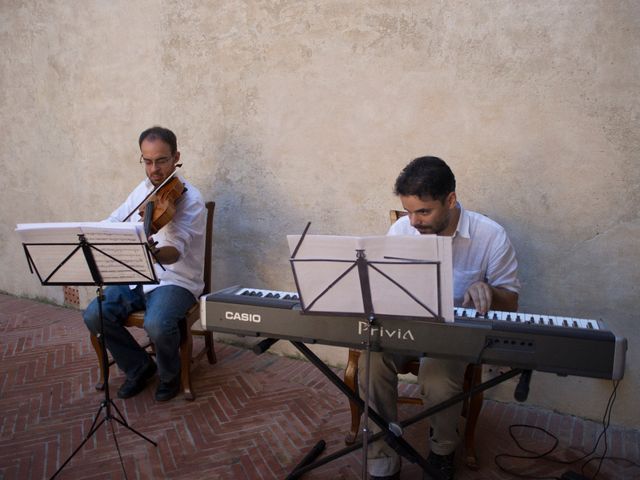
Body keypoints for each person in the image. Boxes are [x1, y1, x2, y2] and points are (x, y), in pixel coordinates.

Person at [360, 156, 520, 480]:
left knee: (437, 375)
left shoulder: (491, 235)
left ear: (450, 200)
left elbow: (512, 300)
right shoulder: (402, 229)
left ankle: (442, 450)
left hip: (452, 333)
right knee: (370, 361)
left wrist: (487, 289)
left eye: (424, 211)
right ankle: (382, 457)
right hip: (406, 325)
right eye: (409, 211)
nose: (414, 221)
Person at [83, 126, 206, 402]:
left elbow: (175, 252)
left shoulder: (191, 200)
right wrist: (90, 232)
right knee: (94, 315)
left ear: (176, 157)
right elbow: (115, 220)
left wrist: (154, 252)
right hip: (138, 276)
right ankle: (139, 367)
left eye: (161, 160)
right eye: (147, 161)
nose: (154, 169)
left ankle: (170, 376)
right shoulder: (143, 190)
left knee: (158, 324)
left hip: (176, 281)